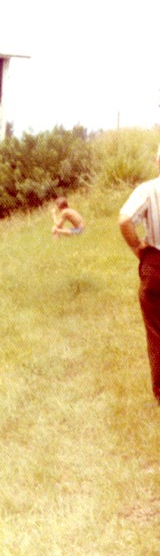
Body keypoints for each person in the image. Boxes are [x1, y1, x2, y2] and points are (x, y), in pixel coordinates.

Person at [119, 144, 160, 405]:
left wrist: (137, 247)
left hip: (156, 264)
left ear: (158, 162)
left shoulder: (149, 190)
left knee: (156, 330)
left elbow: (124, 220)